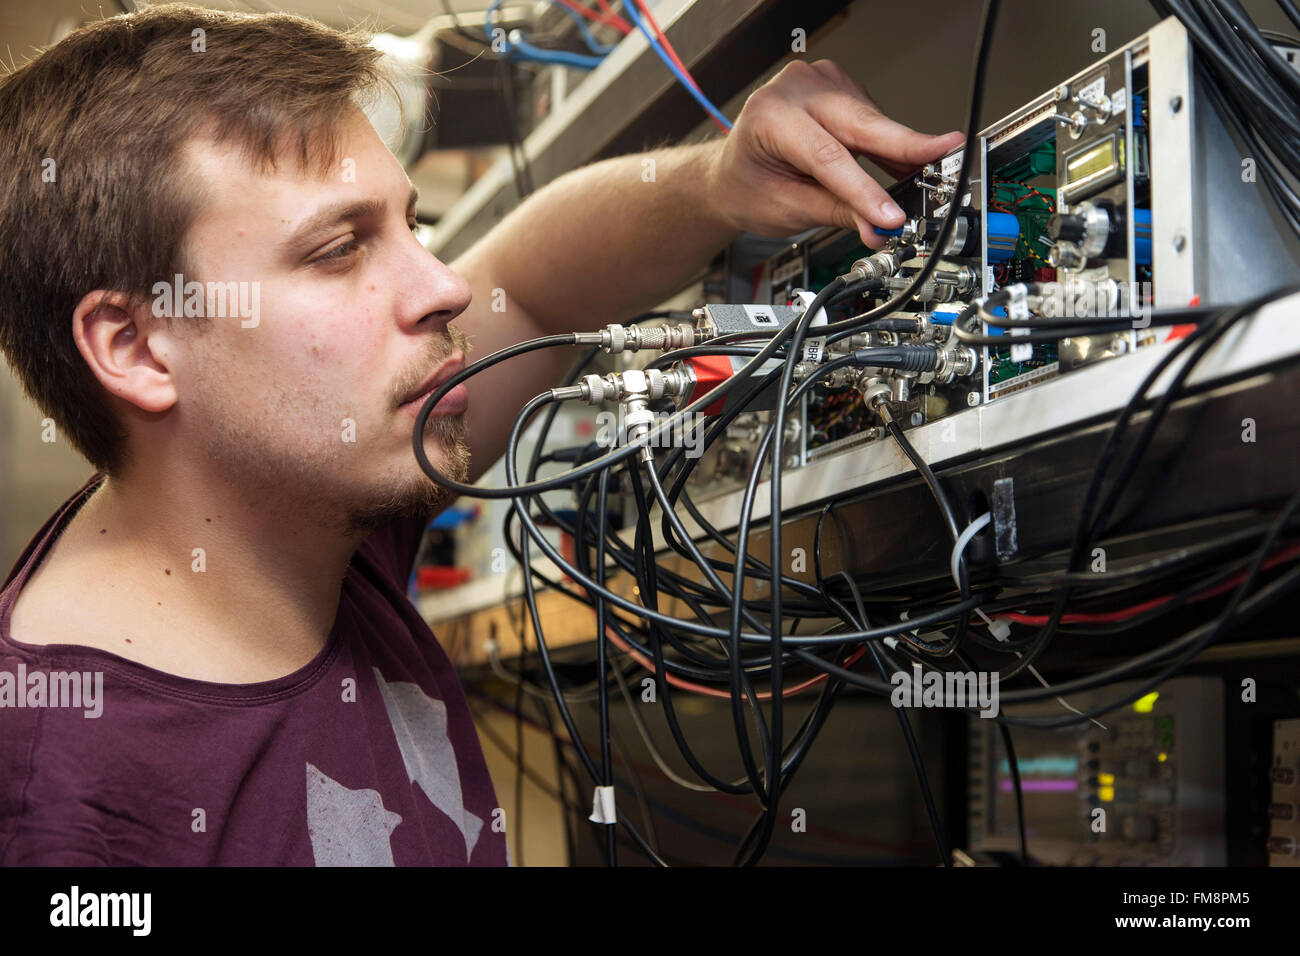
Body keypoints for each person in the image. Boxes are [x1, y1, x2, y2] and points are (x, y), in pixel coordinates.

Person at [0, 3, 962, 865]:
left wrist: (716, 179)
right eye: (340, 250)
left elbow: (535, 287)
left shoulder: (307, 513)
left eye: (409, 225)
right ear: (136, 347)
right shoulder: (63, 797)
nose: (446, 286)